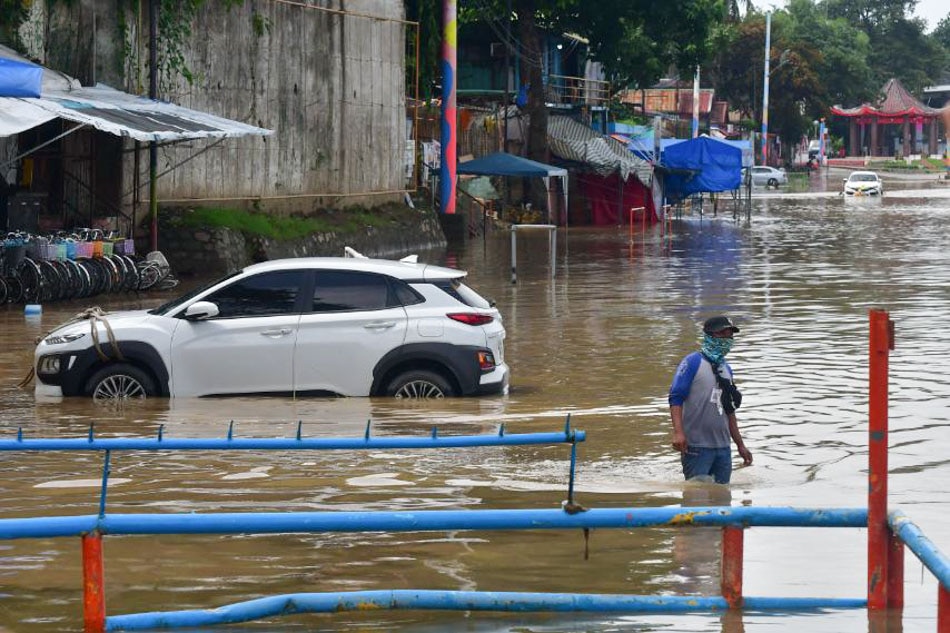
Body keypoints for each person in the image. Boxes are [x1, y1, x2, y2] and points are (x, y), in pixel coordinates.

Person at [668, 316, 752, 484]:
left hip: (723, 448)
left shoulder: (726, 368)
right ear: (709, 335)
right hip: (697, 448)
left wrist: (740, 445)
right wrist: (678, 433)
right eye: (723, 334)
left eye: (730, 335)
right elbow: (675, 398)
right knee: (696, 503)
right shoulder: (692, 362)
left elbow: (729, 410)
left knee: (722, 502)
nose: (727, 339)